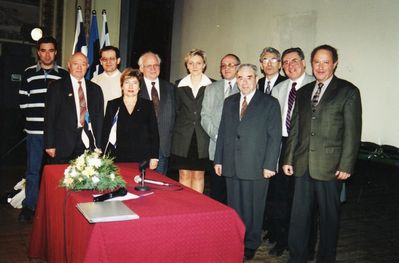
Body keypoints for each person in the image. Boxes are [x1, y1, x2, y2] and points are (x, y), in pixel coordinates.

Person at [283, 44, 362, 263]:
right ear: (311, 64)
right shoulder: (304, 92)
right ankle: (296, 258)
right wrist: (288, 158)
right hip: (302, 164)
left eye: (325, 62)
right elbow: (295, 128)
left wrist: (346, 165)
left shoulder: (348, 91)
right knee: (299, 218)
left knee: (329, 220)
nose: (320, 66)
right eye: (316, 61)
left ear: (335, 64)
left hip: (330, 167)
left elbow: (352, 132)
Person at [214, 64, 281, 260]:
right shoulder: (229, 102)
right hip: (231, 163)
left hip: (257, 165)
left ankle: (251, 242)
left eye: (248, 77)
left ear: (256, 79)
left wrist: (270, 165)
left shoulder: (269, 103)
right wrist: (219, 159)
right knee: (234, 205)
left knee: (254, 207)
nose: (244, 82)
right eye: (240, 78)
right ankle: (236, 239)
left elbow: (274, 137)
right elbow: (223, 133)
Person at [265, 47, 315, 256]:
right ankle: (283, 239)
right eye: (285, 62)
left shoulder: (314, 84)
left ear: (304, 62)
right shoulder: (280, 88)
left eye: (294, 60)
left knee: (304, 201)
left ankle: (307, 246)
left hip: (305, 148)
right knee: (281, 196)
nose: (289, 65)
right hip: (282, 145)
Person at [18, 36, 69, 222]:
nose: (47, 54)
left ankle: (54, 208)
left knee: (57, 172)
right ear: (38, 52)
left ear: (56, 52)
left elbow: (67, 105)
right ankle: (30, 207)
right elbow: (23, 103)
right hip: (35, 133)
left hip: (56, 135)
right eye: (43, 50)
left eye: (51, 50)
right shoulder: (28, 73)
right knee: (32, 171)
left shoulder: (64, 74)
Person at [44, 52, 104, 164]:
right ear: (69, 65)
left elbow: (99, 118)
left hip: (88, 143)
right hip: (62, 143)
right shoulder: (56, 87)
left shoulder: (95, 89)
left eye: (83, 64)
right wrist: (49, 144)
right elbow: (49, 117)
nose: (79, 67)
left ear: (88, 66)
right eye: (76, 63)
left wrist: (98, 145)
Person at [201, 53, 240, 204]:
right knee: (217, 190)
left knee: (234, 192)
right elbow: (205, 116)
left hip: (238, 148)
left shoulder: (244, 86)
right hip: (216, 146)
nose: (226, 68)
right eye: (223, 65)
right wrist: (217, 136)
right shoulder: (211, 88)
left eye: (231, 65)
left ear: (238, 67)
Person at [171, 49, 212, 193]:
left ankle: (197, 208)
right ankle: (185, 207)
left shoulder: (212, 85)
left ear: (204, 65)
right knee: (184, 174)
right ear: (187, 65)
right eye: (191, 63)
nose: (195, 66)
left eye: (198, 63)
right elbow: (176, 111)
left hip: (203, 137)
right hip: (183, 137)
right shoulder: (178, 85)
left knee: (199, 175)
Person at [102, 68, 159, 169]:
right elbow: (106, 132)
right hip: (117, 156)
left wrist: (154, 156)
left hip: (142, 157)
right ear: (122, 85)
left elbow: (154, 132)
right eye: (127, 82)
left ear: (139, 86)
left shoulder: (148, 105)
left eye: (135, 83)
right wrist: (103, 155)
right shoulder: (113, 105)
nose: (131, 86)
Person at [138, 52, 175, 174]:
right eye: (149, 66)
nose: (153, 68)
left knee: (159, 187)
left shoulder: (170, 88)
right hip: (141, 146)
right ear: (141, 68)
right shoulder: (135, 87)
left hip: (163, 148)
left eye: (156, 65)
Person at [91, 46, 122, 112]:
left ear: (118, 60)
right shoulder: (94, 81)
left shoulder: (126, 80)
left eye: (112, 59)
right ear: (101, 61)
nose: (108, 62)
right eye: (105, 59)